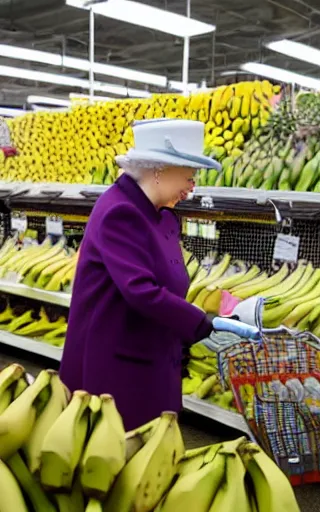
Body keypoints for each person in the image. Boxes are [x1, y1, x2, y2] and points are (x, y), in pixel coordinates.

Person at [59, 119, 221, 430]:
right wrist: (202, 323)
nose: (192, 186)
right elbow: (141, 291)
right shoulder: (121, 213)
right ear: (160, 170)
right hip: (117, 369)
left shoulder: (153, 213)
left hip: (147, 354)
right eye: (189, 175)